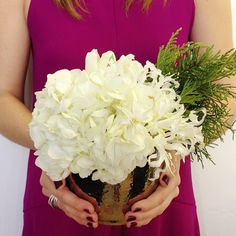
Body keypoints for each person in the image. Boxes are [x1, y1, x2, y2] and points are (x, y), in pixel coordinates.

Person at [0, 0, 235, 235]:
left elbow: (227, 93)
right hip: (60, 196)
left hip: (161, 198)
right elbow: (3, 96)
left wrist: (172, 152)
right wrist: (54, 147)